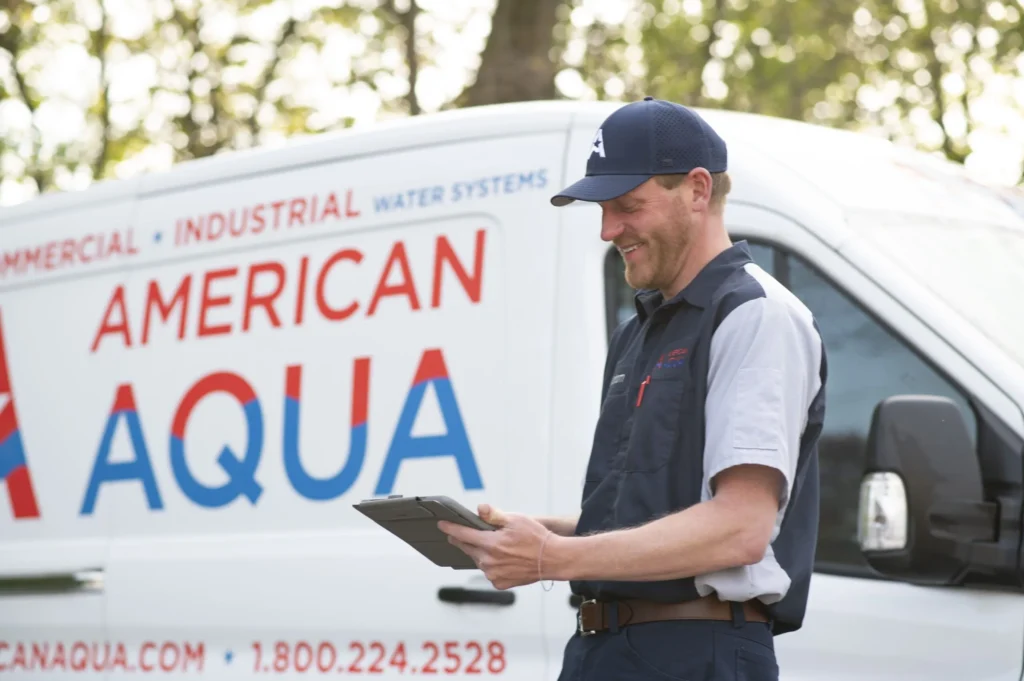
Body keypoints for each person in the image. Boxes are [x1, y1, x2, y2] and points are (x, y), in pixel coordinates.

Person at [437, 97, 827, 681]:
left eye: (627, 206)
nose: (607, 229)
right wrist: (536, 533)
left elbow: (740, 529)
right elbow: (651, 514)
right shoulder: (637, 332)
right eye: (602, 209)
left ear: (697, 190)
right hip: (605, 650)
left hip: (697, 653)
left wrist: (553, 558)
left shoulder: (756, 316)